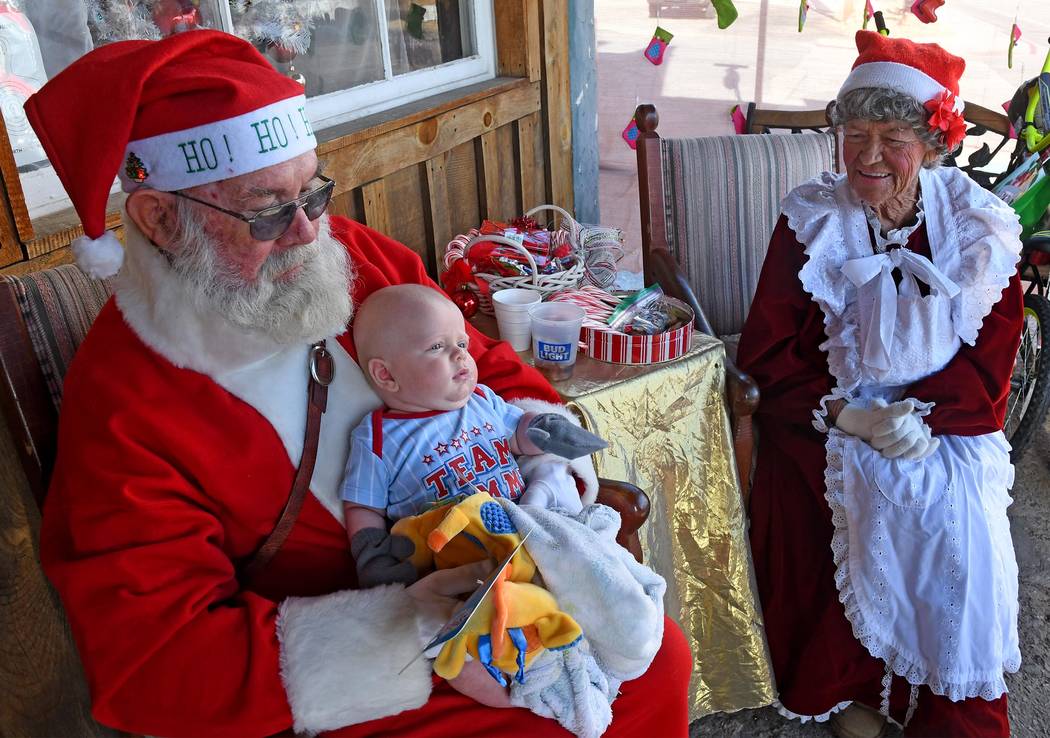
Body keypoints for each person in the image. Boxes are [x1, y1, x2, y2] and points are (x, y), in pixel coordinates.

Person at [26, 30, 692, 737]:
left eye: (311, 194)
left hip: (495, 562)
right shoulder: (127, 402)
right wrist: (416, 622)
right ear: (160, 218)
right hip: (359, 663)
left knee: (657, 660)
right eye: (267, 211)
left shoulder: (353, 257)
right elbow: (155, 658)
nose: (308, 234)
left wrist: (546, 473)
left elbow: (486, 367)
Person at [736, 31, 1023, 738]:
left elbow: (993, 355)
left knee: (957, 524)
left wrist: (923, 416)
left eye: (893, 139)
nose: (868, 156)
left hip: (948, 416)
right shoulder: (811, 220)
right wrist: (846, 415)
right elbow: (768, 354)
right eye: (855, 136)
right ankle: (854, 687)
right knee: (858, 497)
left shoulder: (977, 224)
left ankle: (942, 703)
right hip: (826, 413)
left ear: (931, 145)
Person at [341, 283, 608, 588]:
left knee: (597, 566)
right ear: (386, 375)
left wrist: (545, 429)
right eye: (437, 347)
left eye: (462, 343)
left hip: (529, 529)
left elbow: (518, 435)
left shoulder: (481, 399)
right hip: (461, 564)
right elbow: (363, 506)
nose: (460, 355)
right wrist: (375, 559)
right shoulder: (377, 438)